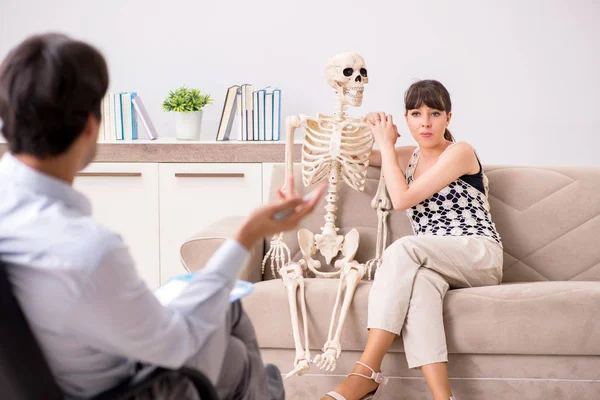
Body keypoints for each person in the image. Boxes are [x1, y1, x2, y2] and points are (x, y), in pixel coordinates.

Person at [0, 33, 325, 400]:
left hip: (60, 371)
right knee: (235, 350)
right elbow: (176, 346)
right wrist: (247, 235)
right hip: (127, 388)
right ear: (91, 126)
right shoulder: (87, 250)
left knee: (229, 326)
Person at [322, 80, 503, 400]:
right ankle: (442, 396)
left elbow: (402, 198)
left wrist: (387, 146)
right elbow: (346, 151)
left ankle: (365, 371)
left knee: (403, 247)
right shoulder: (406, 156)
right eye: (416, 114)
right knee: (420, 288)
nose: (426, 122)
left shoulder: (460, 152)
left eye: (435, 113)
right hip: (434, 259)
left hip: (477, 253)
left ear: (449, 118)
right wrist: (372, 127)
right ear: (406, 120)